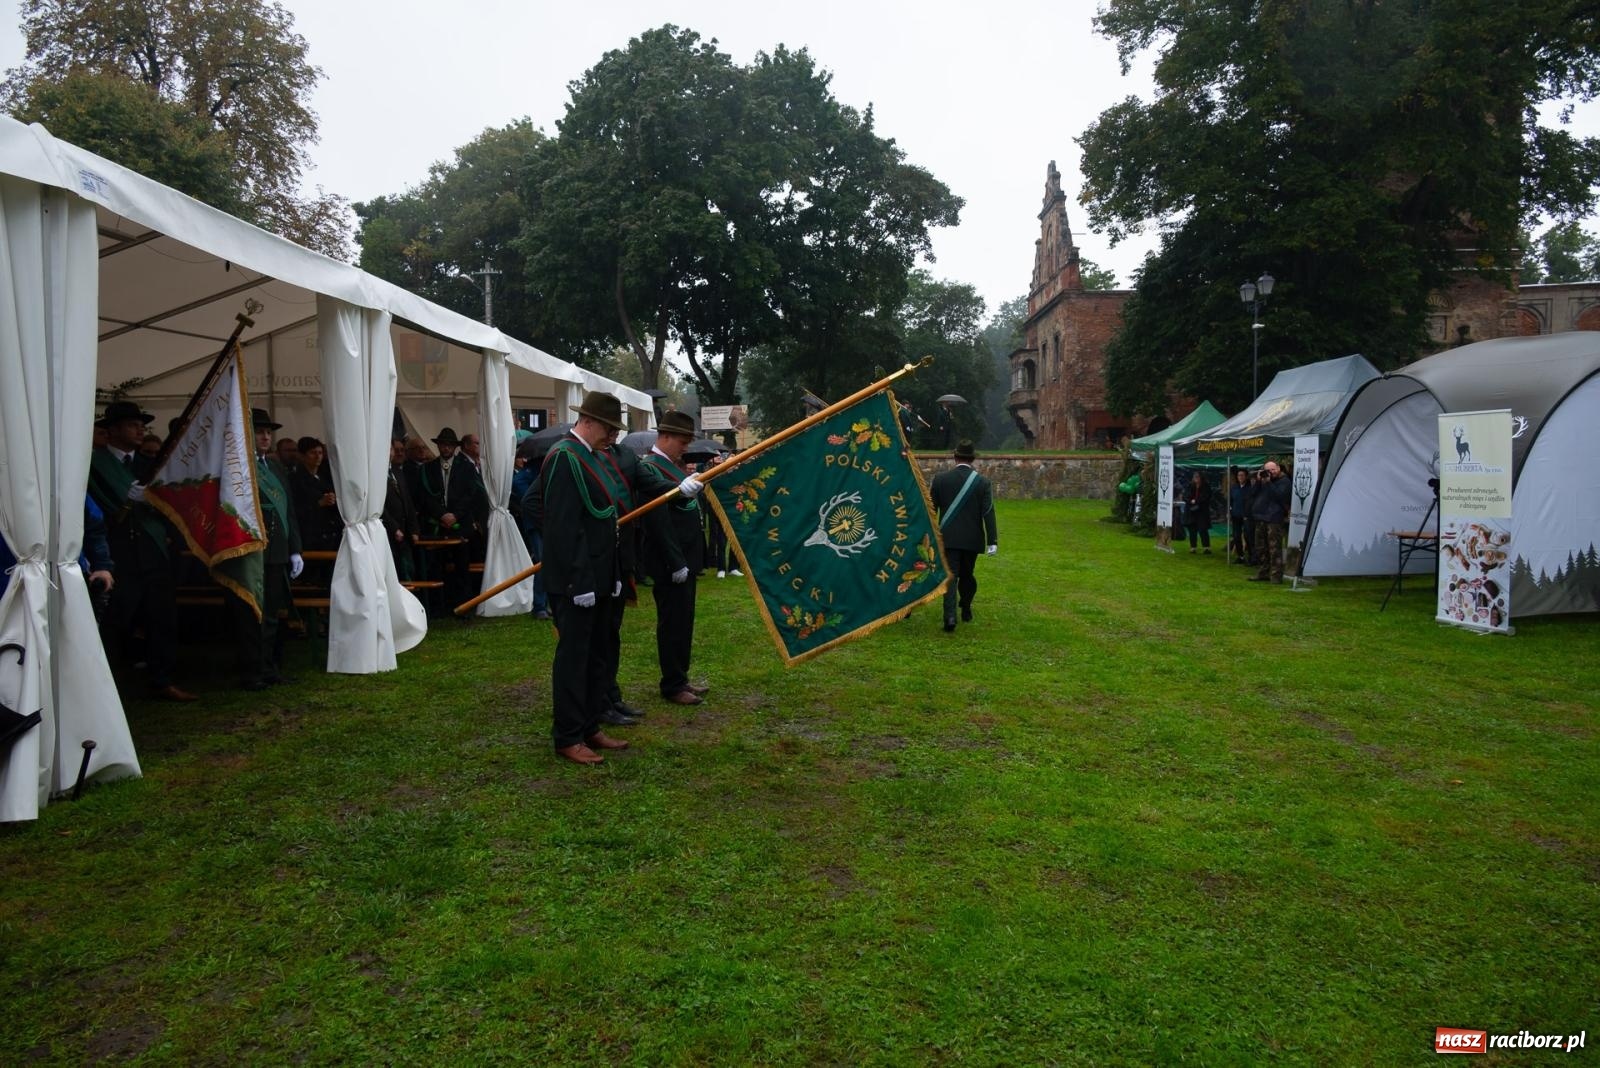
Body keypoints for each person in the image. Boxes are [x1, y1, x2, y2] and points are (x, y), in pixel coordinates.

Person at [538, 392, 635, 765]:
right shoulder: (565, 457)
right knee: (574, 659)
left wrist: (612, 574)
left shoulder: (590, 456)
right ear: (589, 421)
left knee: (596, 655)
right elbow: (564, 527)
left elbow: (605, 521)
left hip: (600, 574)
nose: (612, 436)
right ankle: (568, 735)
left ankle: (589, 725)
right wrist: (578, 582)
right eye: (609, 428)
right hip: (576, 580)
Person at [86, 400, 197, 701]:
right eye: (132, 425)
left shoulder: (151, 465)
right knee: (116, 620)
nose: (140, 430)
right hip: (118, 554)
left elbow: (171, 505)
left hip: (153, 552)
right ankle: (105, 687)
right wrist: (126, 502)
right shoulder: (95, 464)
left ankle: (162, 679)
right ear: (113, 430)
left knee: (162, 618)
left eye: (141, 425)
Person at [639, 411, 710, 705]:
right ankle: (672, 684)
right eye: (682, 441)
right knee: (672, 622)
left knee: (684, 619)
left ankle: (681, 676)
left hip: (686, 557)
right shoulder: (650, 468)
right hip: (670, 559)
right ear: (665, 437)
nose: (685, 447)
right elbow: (658, 521)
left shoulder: (672, 467)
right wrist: (675, 561)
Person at [237, 409, 304, 689]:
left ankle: (270, 668)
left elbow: (288, 509)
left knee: (273, 613)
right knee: (252, 614)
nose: (265, 437)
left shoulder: (275, 467)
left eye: (268, 432)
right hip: (251, 549)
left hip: (277, 549)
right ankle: (252, 671)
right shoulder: (239, 465)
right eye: (259, 432)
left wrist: (294, 548)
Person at [929, 439, 998, 632]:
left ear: (955, 457)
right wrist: (992, 541)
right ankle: (966, 607)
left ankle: (950, 616)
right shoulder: (983, 482)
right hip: (972, 539)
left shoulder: (940, 479)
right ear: (972, 459)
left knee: (950, 576)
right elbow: (988, 512)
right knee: (967, 576)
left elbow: (931, 510)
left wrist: (926, 534)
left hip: (948, 538)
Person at [418, 427, 487, 611]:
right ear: (438, 446)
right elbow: (425, 497)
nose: (446, 448)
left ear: (455, 447)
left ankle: (464, 606)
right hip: (438, 524)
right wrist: (441, 514)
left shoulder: (466, 467)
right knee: (437, 565)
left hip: (460, 524)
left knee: (462, 565)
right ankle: (439, 606)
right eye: (443, 445)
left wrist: (455, 515)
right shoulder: (428, 468)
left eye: (449, 445)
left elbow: (470, 495)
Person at [290, 436, 341, 551]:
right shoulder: (295, 480)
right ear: (302, 456)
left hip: (329, 534)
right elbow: (296, 510)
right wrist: (319, 503)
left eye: (320, 453)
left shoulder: (325, 478)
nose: (318, 456)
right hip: (310, 536)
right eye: (313, 453)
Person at [382, 437, 421, 581]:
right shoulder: (376, 474)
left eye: (390, 449)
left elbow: (408, 502)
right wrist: (394, 528)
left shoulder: (397, 472)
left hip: (405, 531)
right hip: (389, 531)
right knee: (396, 571)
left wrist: (414, 529)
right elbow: (380, 506)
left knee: (409, 570)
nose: (389, 453)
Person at [1250, 461, 1292, 583]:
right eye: (1268, 470)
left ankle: (1276, 576)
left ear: (1278, 468)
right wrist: (1258, 481)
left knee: (1274, 548)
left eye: (1273, 469)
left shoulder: (1285, 482)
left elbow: (1280, 497)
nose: (1271, 472)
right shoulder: (1263, 481)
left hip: (1274, 519)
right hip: (1260, 517)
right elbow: (1252, 494)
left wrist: (1268, 483)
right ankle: (1263, 573)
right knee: (1261, 548)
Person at [1184, 471, 1213, 554]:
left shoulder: (1206, 486)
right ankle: (1193, 547)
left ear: (1201, 477)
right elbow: (1185, 496)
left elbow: (1206, 497)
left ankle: (1206, 547)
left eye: (1197, 476)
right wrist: (1190, 501)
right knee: (1192, 529)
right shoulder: (1190, 486)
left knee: (1203, 529)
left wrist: (1196, 501)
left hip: (1202, 511)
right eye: (1195, 476)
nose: (1196, 478)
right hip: (1191, 510)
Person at [1228, 468, 1249, 564]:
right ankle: (1240, 556)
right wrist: (1229, 511)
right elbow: (1230, 501)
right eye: (1239, 475)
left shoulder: (1250, 488)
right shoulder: (1234, 488)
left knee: (1248, 536)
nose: (1240, 477)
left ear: (1246, 476)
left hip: (1246, 516)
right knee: (1236, 536)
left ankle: (1252, 556)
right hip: (1236, 515)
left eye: (1242, 475)